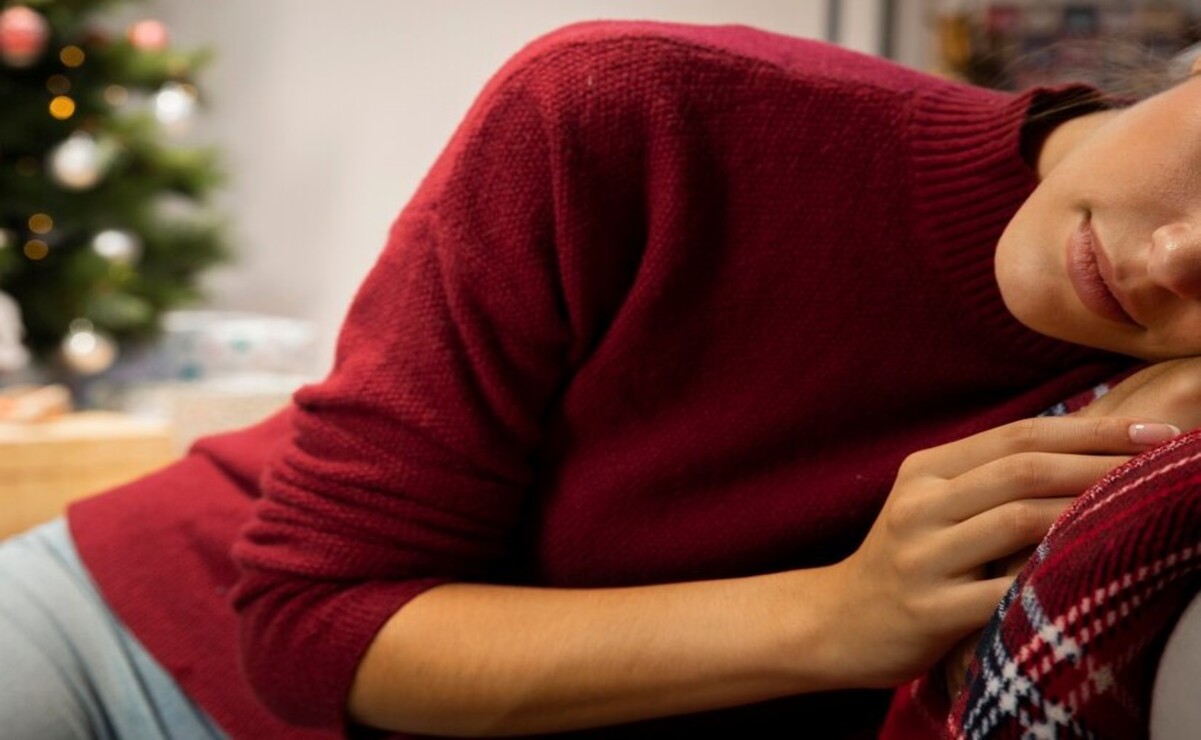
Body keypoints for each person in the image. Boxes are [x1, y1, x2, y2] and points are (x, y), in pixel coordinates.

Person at [1, 19, 1198, 739]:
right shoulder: (628, 106)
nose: (1180, 257)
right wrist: (838, 615)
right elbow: (309, 622)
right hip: (124, 636)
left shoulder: (1148, 424)